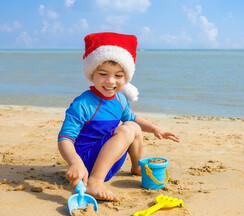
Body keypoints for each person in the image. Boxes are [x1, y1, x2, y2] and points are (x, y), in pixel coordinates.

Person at [57, 32, 179, 201]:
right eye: (103, 74)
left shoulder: (120, 99)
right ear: (92, 73)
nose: (110, 81)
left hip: (109, 161)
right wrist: (75, 163)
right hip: (86, 165)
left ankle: (137, 167)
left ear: (126, 78)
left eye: (118, 75)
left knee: (133, 126)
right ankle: (95, 182)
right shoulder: (83, 104)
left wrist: (155, 129)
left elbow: (133, 118)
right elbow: (65, 138)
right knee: (127, 130)